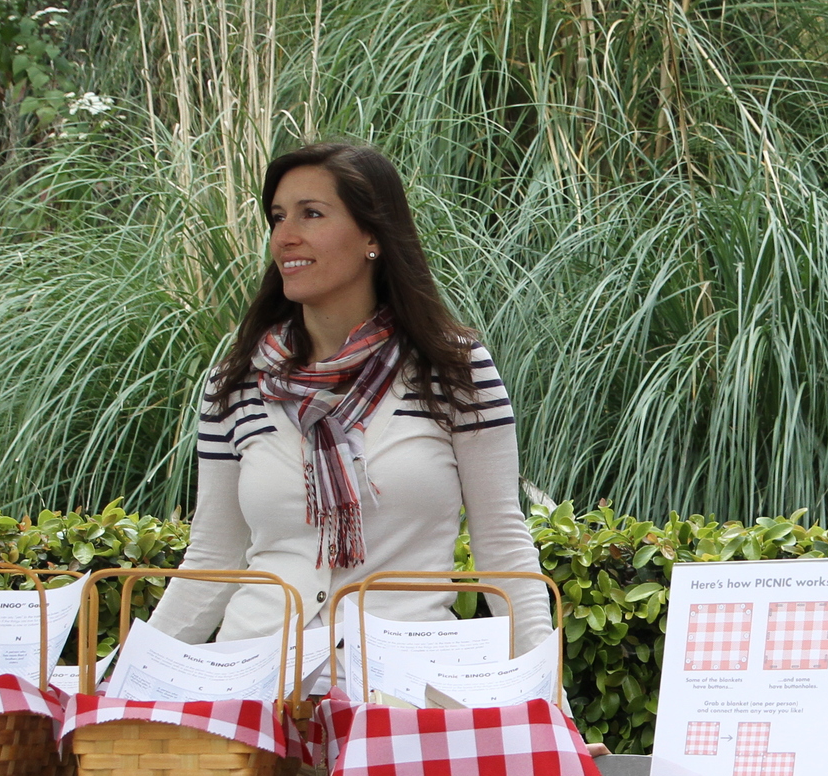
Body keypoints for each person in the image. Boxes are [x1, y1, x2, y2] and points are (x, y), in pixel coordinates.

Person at [150, 141, 552, 660]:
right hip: (256, 685)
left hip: (405, 689)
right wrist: (128, 686)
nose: (285, 236)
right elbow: (212, 557)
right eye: (277, 217)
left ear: (372, 235)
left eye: (311, 214)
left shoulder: (454, 370)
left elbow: (502, 543)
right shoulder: (238, 380)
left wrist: (549, 699)